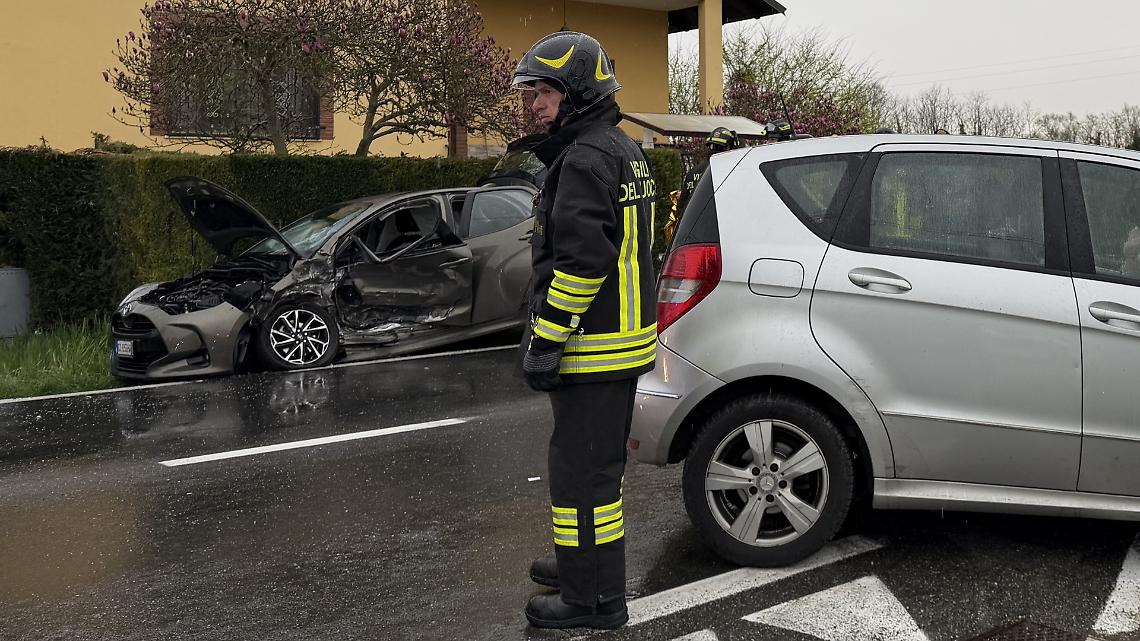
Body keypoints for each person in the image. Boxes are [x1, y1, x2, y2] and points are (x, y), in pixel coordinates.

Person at [512, 30, 657, 631]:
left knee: (582, 481)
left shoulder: (585, 160)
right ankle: (583, 569)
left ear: (578, 94)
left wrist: (546, 340)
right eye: (530, 94)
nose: (534, 105)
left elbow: (580, 265)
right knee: (597, 477)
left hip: (592, 349)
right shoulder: (621, 149)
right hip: (619, 346)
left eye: (545, 93)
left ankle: (593, 602)